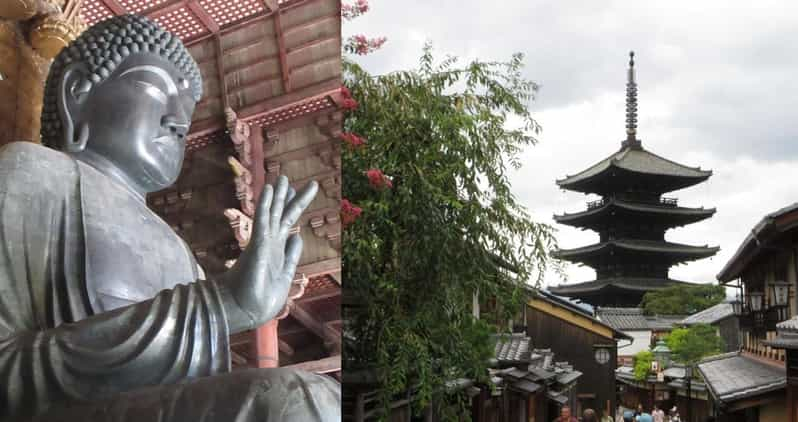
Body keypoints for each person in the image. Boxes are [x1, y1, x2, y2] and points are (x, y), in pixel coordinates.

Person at [0, 13, 338, 421]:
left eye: (187, 109)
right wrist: (219, 304)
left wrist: (216, 306)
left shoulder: (180, 251)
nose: (179, 120)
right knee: (291, 401)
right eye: (156, 89)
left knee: (317, 396)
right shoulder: (32, 175)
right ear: (77, 93)